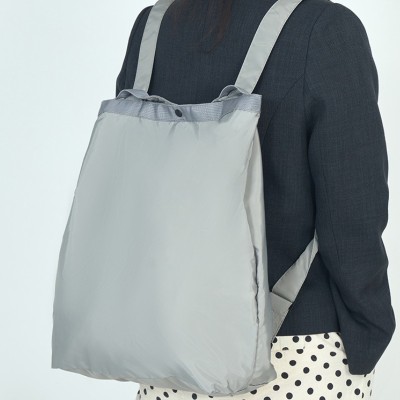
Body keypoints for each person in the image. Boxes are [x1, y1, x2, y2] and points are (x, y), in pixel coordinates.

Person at [115, 1, 396, 399]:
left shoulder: (154, 27)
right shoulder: (325, 29)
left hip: (170, 350)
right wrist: (369, 330)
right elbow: (353, 213)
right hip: (299, 352)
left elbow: (133, 187)